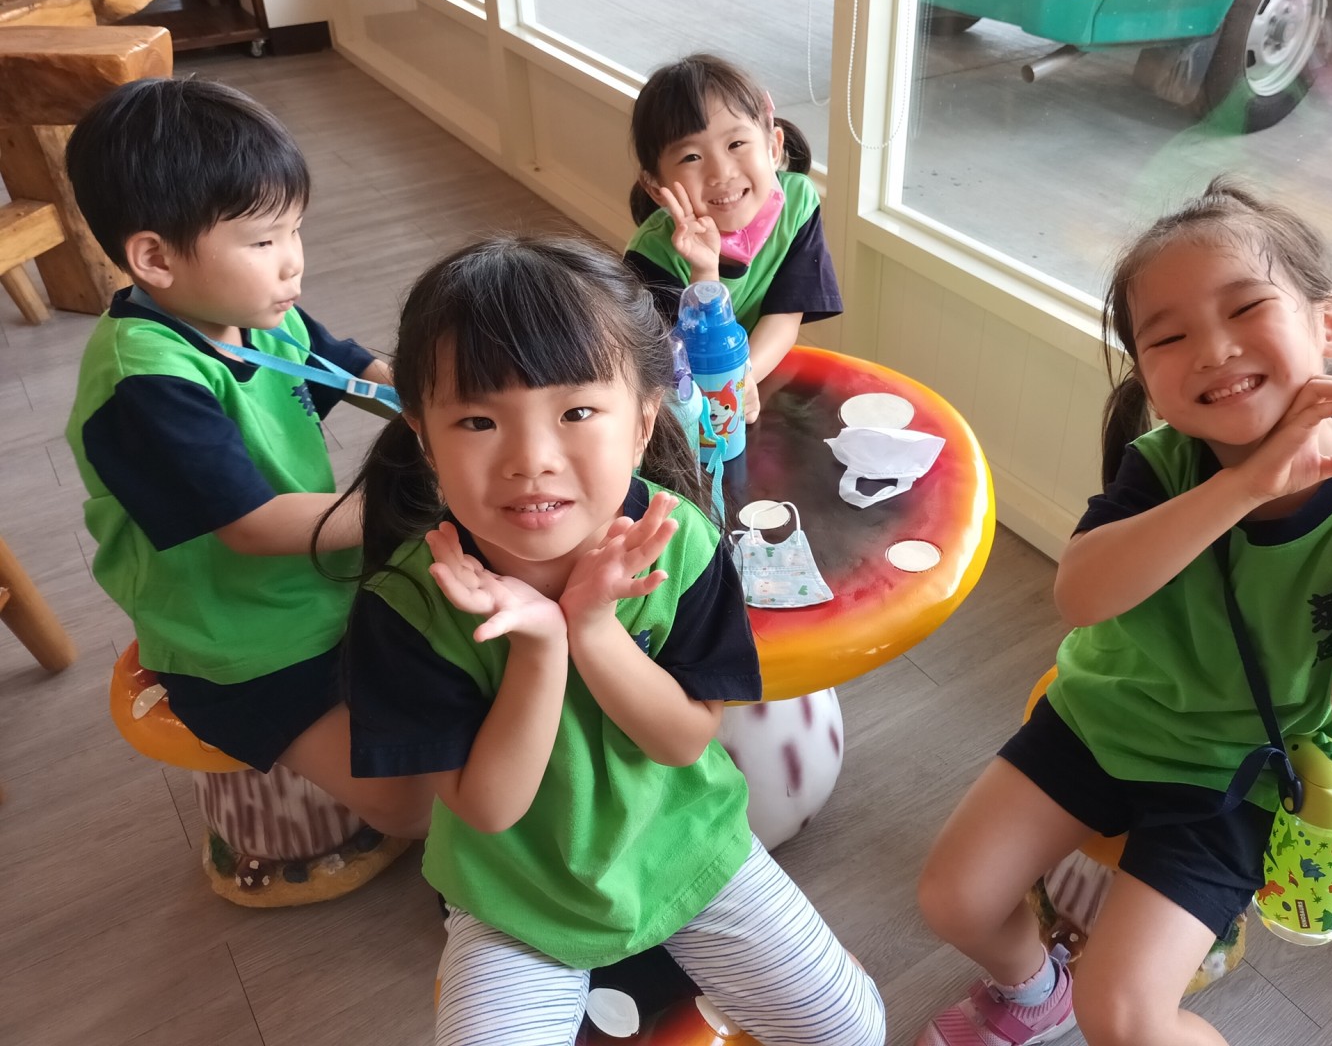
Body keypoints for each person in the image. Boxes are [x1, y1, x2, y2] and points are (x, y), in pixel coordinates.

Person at [915, 179, 1332, 1046]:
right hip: (1101, 721)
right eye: (1169, 336)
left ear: (1329, 326)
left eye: (1246, 308)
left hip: (1233, 780)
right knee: (952, 899)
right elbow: (1080, 596)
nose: (1212, 349)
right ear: (1146, 374)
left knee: (1124, 1015)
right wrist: (1244, 486)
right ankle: (1033, 993)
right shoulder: (1164, 462)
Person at [336, 234, 884, 1046]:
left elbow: (682, 739)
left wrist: (592, 628)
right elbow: (488, 808)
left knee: (853, 1031)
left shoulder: (681, 543)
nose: (531, 460)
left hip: (689, 846)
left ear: (642, 422)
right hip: (514, 896)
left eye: (577, 412)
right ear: (424, 438)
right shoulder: (407, 608)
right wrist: (541, 646)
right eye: (479, 420)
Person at [62, 76, 427, 835]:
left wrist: (454, 409)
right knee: (410, 807)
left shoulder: (255, 311)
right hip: (240, 646)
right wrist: (417, 503)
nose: (293, 262)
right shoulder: (143, 380)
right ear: (155, 258)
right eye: (264, 241)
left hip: (324, 588)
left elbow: (363, 374)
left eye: (295, 231)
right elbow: (254, 525)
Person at [625, 53, 842, 421]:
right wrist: (704, 270)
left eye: (736, 144)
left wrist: (743, 381)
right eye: (691, 157)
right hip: (684, 410)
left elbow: (785, 314)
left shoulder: (797, 204)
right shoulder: (651, 256)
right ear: (656, 187)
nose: (721, 173)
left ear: (773, 146)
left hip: (754, 379)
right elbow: (679, 371)